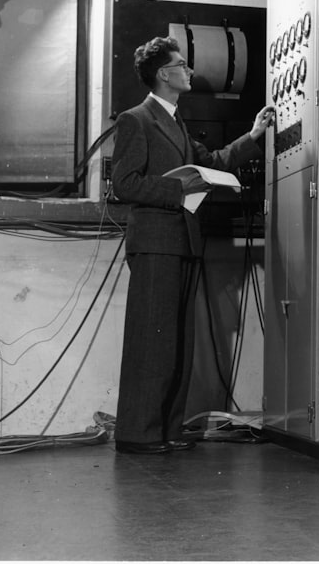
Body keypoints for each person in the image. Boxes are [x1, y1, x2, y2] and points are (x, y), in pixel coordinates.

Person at [110, 36, 274, 454]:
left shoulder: (177, 124)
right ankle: (137, 434)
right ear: (164, 74)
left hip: (183, 241)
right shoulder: (136, 120)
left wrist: (254, 134)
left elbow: (214, 163)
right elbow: (124, 184)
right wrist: (178, 190)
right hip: (155, 242)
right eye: (182, 66)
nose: (190, 71)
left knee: (178, 342)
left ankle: (167, 429)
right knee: (153, 341)